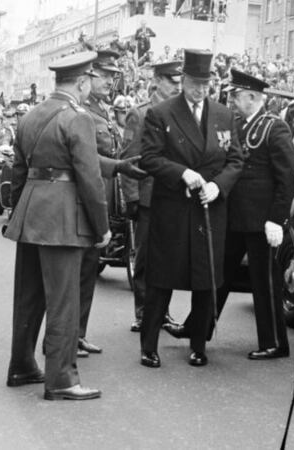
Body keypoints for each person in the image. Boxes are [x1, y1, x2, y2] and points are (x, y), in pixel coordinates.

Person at [167, 69, 294, 360]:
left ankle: (275, 342)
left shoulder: (274, 128)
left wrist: (277, 219)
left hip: (262, 221)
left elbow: (287, 179)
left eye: (236, 96)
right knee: (217, 275)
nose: (232, 101)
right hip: (234, 216)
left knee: (265, 281)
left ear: (252, 97)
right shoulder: (237, 124)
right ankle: (197, 327)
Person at [4, 51, 109, 401]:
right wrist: (102, 226)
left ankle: (21, 366)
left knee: (28, 297)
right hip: (63, 219)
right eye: (90, 80)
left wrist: (18, 214)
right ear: (81, 82)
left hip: (30, 213)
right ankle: (61, 379)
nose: (90, 86)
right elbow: (90, 179)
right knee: (64, 300)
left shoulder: (31, 115)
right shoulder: (78, 118)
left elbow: (18, 171)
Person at [138, 49, 243, 368]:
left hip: (209, 210)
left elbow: (236, 160)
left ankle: (198, 345)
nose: (201, 90)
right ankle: (149, 346)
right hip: (174, 209)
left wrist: (218, 186)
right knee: (161, 279)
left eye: (206, 84)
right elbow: (150, 158)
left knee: (205, 280)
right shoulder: (161, 113)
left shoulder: (224, 115)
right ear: (183, 81)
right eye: (195, 84)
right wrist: (182, 173)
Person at [78, 49, 147, 358]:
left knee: (88, 271)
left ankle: (78, 334)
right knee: (79, 272)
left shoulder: (102, 110)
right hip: (88, 197)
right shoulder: (82, 111)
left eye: (112, 77)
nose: (110, 82)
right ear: (88, 76)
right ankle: (68, 336)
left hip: (104, 196)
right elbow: (87, 159)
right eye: (104, 76)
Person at [120, 60, 183, 333]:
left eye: (179, 82)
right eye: (172, 81)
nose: (177, 87)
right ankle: (144, 312)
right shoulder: (140, 114)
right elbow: (129, 158)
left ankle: (163, 312)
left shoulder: (180, 112)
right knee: (145, 258)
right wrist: (132, 198)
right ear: (156, 81)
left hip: (173, 196)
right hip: (147, 196)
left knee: (169, 258)